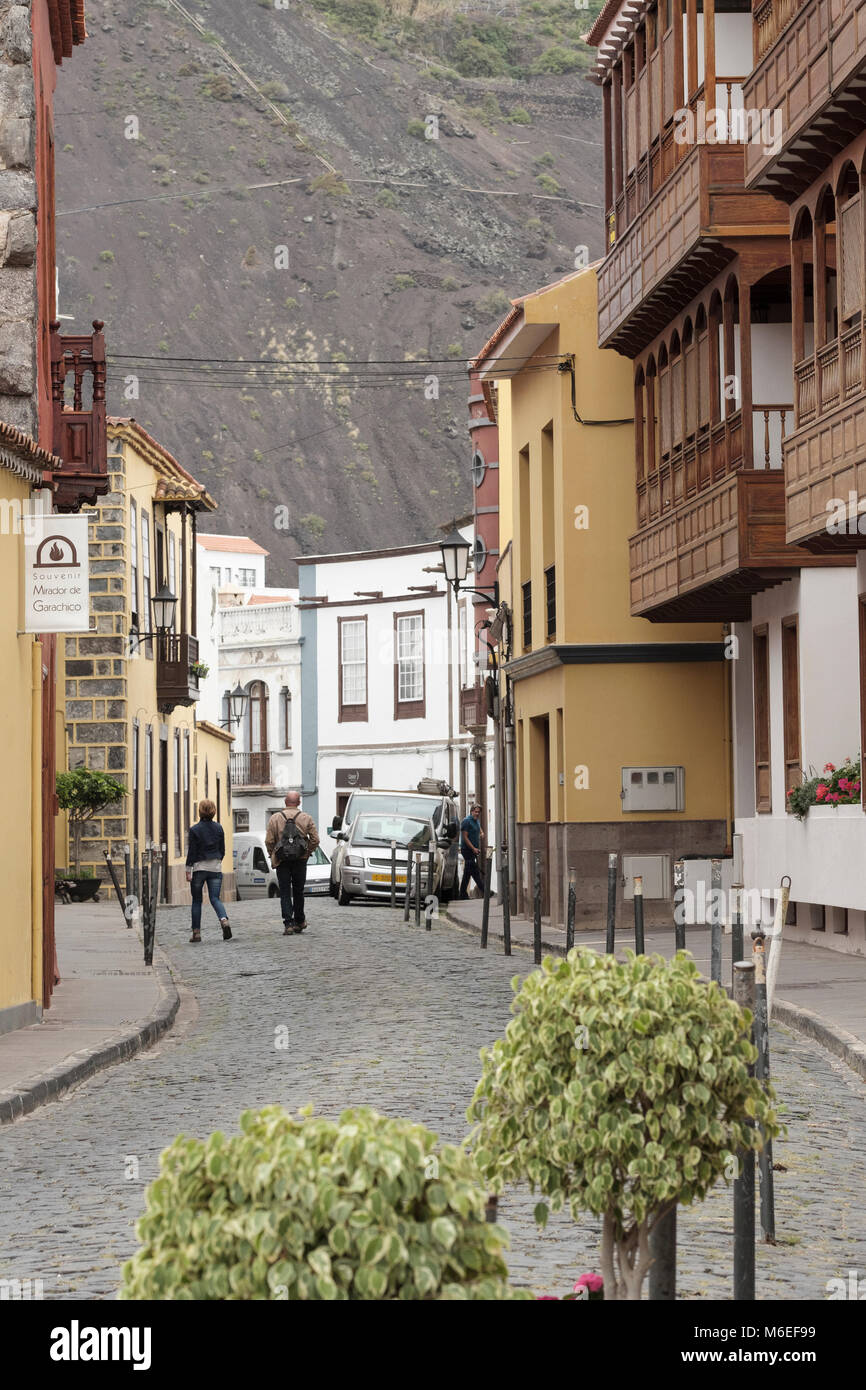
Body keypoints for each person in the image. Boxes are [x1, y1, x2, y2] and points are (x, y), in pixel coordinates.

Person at [266, 791, 320, 936]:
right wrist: (307, 853)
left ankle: (288, 923)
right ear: (299, 803)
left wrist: (274, 854)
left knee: (284, 891)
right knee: (298, 890)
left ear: (285, 802)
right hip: (300, 860)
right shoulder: (306, 818)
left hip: (282, 860)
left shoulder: (275, 818)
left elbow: (269, 841)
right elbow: (315, 839)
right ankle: (300, 921)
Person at [185, 799, 231, 943]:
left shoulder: (194, 830)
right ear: (213, 811)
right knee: (215, 898)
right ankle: (224, 920)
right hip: (215, 867)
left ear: (200, 811)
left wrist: (188, 869)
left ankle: (196, 933)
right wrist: (217, 860)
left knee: (197, 900)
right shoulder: (219, 828)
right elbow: (222, 849)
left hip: (199, 868)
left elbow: (192, 852)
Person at [459, 803, 486, 899]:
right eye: (475, 812)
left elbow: (479, 828)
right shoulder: (466, 821)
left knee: (468, 872)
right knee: (474, 871)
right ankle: (485, 891)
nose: (477, 814)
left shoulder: (476, 821)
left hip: (474, 850)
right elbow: (465, 837)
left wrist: (482, 833)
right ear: (471, 811)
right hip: (467, 850)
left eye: (478, 812)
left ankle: (462, 894)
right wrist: (473, 848)